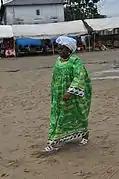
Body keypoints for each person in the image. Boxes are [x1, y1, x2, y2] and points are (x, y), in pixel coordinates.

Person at [43, 36, 92, 153]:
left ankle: (84, 134)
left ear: (69, 50)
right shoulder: (58, 61)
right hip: (58, 96)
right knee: (57, 116)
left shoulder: (75, 61)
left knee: (78, 115)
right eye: (58, 48)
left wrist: (70, 91)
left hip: (73, 96)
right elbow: (55, 78)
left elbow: (79, 76)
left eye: (62, 49)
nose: (59, 51)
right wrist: (55, 93)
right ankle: (56, 140)